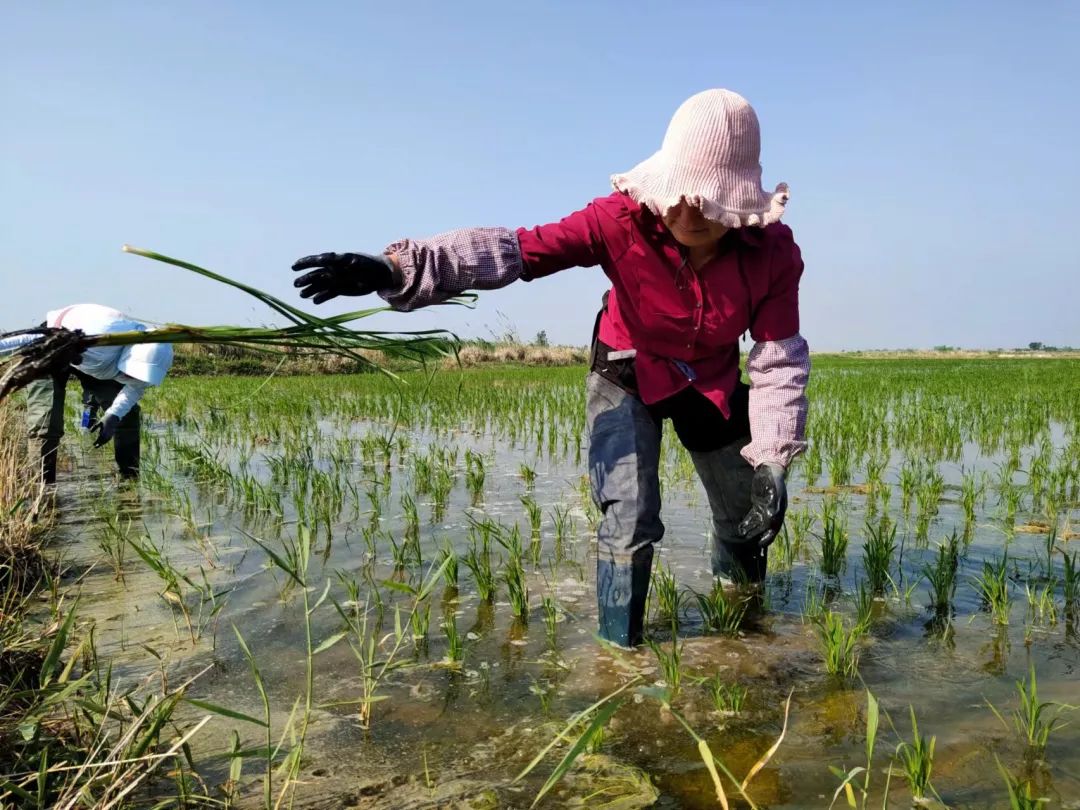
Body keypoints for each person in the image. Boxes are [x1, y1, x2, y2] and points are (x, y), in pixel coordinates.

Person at [291, 89, 809, 648]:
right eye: (677, 193)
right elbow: (515, 252)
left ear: (737, 202)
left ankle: (741, 633)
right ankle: (620, 652)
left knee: (748, 514)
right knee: (629, 514)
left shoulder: (773, 254)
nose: (686, 212)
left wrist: (775, 458)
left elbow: (777, 360)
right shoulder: (619, 219)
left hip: (709, 379)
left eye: (707, 201)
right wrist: (393, 267)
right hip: (628, 366)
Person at [0, 303, 174, 483]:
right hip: (56, 346)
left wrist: (113, 415)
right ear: (129, 356)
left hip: (95, 363)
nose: (130, 377)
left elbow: (134, 388)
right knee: (45, 419)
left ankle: (130, 480)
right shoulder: (99, 339)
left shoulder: (152, 355)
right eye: (130, 373)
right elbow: (28, 340)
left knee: (126, 416)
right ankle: (43, 486)